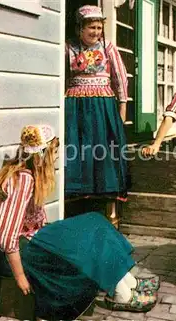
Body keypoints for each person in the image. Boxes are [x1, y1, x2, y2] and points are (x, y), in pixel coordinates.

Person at [0, 125, 159, 320]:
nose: (57, 157)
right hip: (22, 249)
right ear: (41, 156)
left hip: (34, 237)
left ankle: (127, 281)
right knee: (87, 241)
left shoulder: (31, 176)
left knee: (95, 222)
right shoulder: (22, 181)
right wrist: (19, 276)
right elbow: (6, 234)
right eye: (54, 152)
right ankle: (122, 293)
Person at [64, 5, 130, 225]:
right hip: (77, 108)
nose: (95, 32)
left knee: (105, 152)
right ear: (80, 27)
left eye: (99, 27)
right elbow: (61, 78)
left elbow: (120, 78)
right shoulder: (68, 48)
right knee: (79, 151)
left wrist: (122, 109)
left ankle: (111, 213)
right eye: (91, 27)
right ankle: (77, 209)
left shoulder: (108, 47)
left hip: (103, 105)